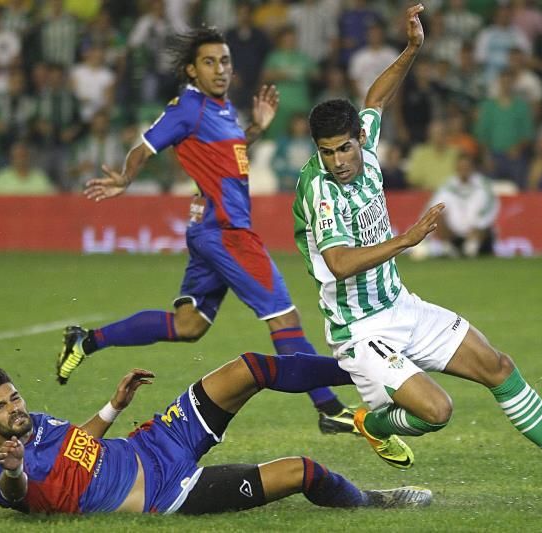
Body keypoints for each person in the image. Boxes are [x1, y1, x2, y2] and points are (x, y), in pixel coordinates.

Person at [292, 3, 542, 493]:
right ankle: (375, 423)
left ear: (358, 138)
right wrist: (406, 239)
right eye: (326, 152)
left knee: (498, 366)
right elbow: (338, 262)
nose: (338, 160)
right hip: (361, 330)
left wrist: (412, 48)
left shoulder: (364, 142)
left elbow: (377, 95)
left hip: (399, 305)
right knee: (438, 412)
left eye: (344, 147)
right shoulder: (321, 189)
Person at [57, 26, 355, 434]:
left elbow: (228, 157)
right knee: (284, 318)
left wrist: (256, 129)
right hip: (226, 230)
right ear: (191, 70)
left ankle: (85, 340)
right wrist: (126, 177)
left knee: (189, 326)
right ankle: (329, 407)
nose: (221, 69)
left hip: (210, 229)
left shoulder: (221, 108)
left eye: (226, 61)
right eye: (210, 62)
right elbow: (145, 145)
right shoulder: (188, 108)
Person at [0, 353, 433, 514]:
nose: (15, 409)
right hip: (168, 491)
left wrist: (115, 405)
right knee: (304, 472)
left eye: (15, 397)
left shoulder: (41, 423)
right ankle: (372, 501)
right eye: (1, 408)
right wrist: (12, 469)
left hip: (153, 442)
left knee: (249, 368)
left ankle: (365, 370)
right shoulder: (7, 473)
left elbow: (79, 442)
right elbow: (18, 490)